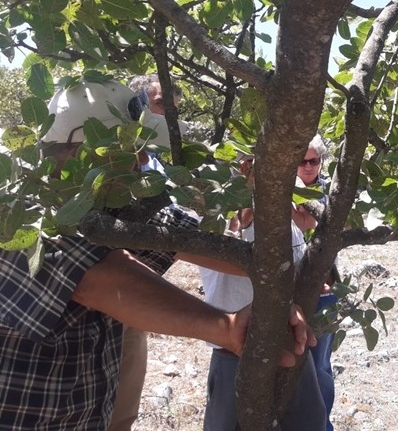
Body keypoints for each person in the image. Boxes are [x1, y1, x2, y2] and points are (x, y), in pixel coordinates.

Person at [0, 80, 312, 430]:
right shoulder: (18, 214)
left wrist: (277, 258)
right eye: (133, 150)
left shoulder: (106, 204)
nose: (145, 159)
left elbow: (187, 237)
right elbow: (100, 277)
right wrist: (226, 327)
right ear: (81, 152)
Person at [199, 154, 327, 431]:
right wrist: (247, 202)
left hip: (287, 345)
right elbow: (233, 244)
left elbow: (295, 265)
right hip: (233, 351)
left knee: (309, 421)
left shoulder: (287, 214)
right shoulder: (217, 215)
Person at [109, 75, 177, 431]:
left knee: (122, 411)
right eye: (163, 103)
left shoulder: (160, 164)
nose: (172, 113)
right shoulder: (111, 167)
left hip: (131, 309)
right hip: (104, 299)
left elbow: (173, 229)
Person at [293, 134, 338, 431]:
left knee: (320, 366)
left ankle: (323, 425)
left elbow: (327, 229)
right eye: (302, 161)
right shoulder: (280, 190)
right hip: (287, 294)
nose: (309, 167)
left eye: (314, 161)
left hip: (324, 293)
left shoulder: (331, 193)